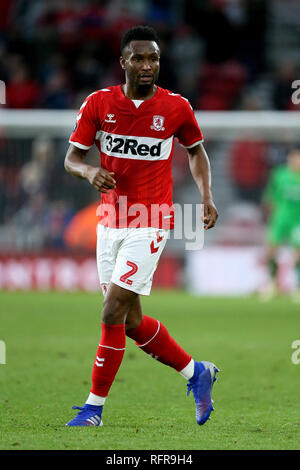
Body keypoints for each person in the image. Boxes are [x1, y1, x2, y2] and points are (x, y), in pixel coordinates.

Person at [64, 25, 219, 427]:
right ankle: (196, 372)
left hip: (150, 220)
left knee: (111, 308)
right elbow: (72, 158)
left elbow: (196, 152)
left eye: (153, 58)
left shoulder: (176, 108)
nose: (147, 65)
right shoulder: (99, 104)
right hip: (110, 220)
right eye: (139, 58)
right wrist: (88, 172)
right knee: (129, 321)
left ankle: (93, 409)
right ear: (123, 62)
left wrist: (206, 196)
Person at [262, 147, 300, 300]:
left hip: (297, 221)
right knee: (271, 250)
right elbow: (270, 199)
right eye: (295, 158)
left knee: (298, 253)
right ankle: (272, 283)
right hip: (280, 219)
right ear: (289, 159)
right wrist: (272, 217)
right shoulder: (279, 175)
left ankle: (297, 286)